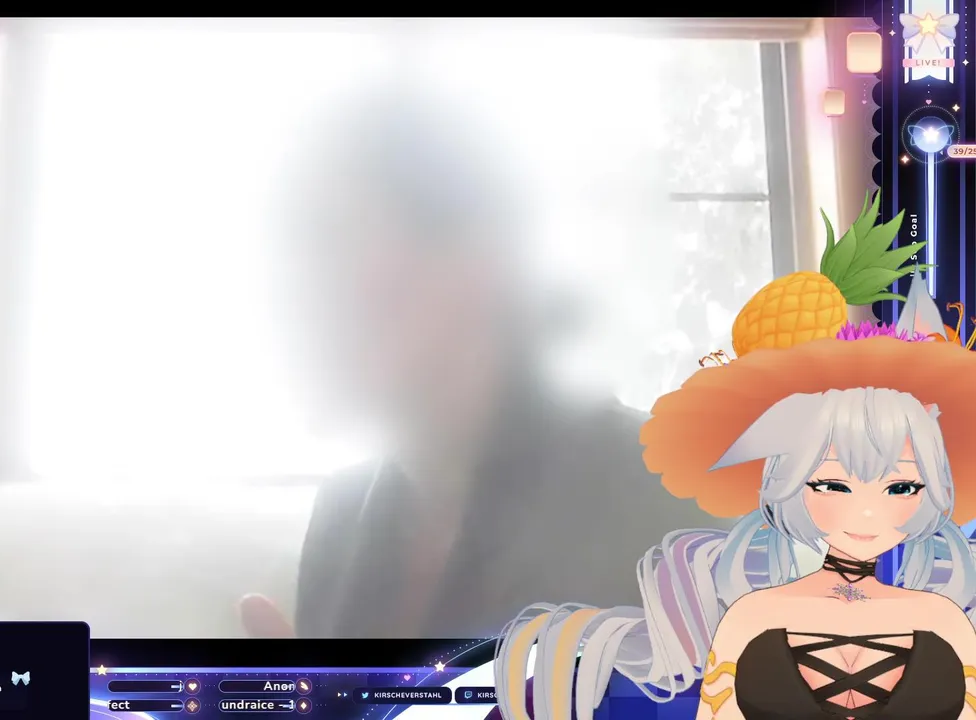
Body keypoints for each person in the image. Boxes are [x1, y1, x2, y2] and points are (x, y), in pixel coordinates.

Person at [239, 91, 730, 639]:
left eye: (322, 238)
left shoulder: (676, 507)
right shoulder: (340, 519)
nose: (281, 293)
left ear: (482, 256)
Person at [492, 328, 976, 720]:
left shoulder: (945, 620)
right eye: (834, 486)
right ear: (793, 485)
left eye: (900, 488)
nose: (867, 513)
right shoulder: (751, 617)